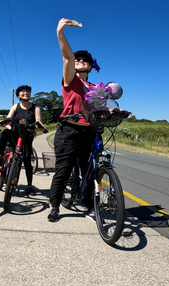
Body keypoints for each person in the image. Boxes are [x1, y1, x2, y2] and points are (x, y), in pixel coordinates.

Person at [47, 18, 100, 222]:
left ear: (90, 66)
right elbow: (67, 57)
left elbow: (102, 106)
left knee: (89, 169)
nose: (80, 62)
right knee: (64, 169)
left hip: (89, 131)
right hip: (69, 130)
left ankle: (89, 204)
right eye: (78, 60)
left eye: (84, 60)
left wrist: (118, 112)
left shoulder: (95, 87)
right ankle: (55, 207)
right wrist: (61, 33)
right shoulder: (70, 80)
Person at [0, 85, 47, 196]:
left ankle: (29, 186)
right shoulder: (16, 106)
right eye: (23, 91)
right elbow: (9, 119)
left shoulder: (35, 107)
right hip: (15, 133)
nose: (26, 93)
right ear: (18, 95)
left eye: (28, 91)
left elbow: (38, 120)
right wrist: (5, 123)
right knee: (5, 134)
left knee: (27, 160)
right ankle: (0, 157)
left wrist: (41, 126)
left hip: (27, 135)